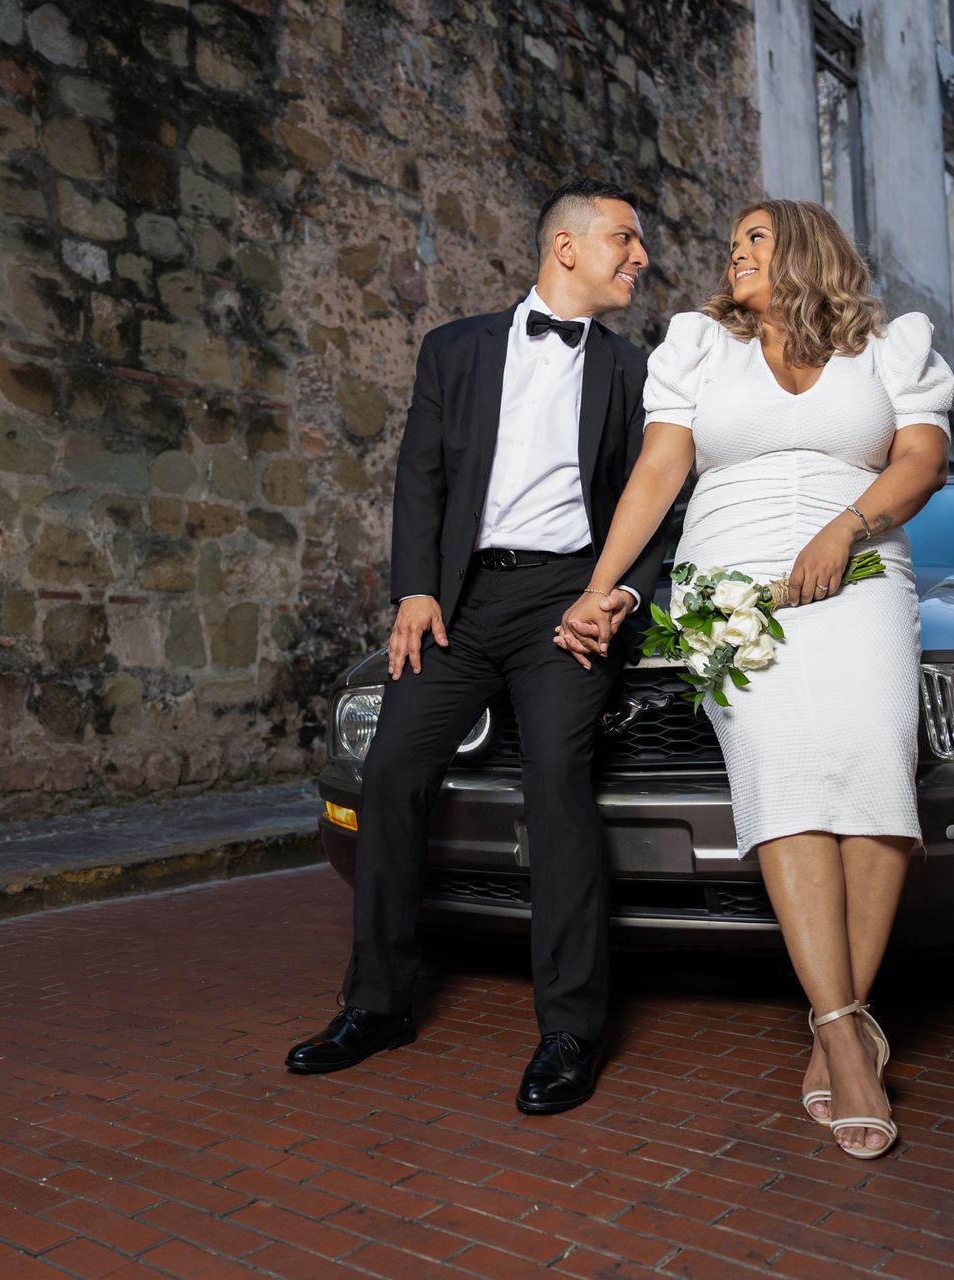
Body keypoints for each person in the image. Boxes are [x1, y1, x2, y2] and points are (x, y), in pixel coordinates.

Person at [556, 198, 954, 1157]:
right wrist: (599, 588)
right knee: (783, 770)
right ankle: (847, 1035)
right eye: (732, 245)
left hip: (857, 568)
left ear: (808, 249)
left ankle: (838, 1017)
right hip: (730, 580)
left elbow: (923, 460)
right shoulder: (699, 345)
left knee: (872, 764)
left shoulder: (890, 347)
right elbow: (657, 473)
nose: (734, 256)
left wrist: (846, 528)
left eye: (756, 241)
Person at [284, 178, 667, 1115]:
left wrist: (612, 596)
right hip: (459, 603)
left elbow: (657, 507)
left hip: (565, 603)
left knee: (558, 785)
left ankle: (571, 1030)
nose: (641, 257)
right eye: (626, 238)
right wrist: (414, 587)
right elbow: (421, 479)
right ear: (567, 248)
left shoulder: (636, 373)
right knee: (391, 775)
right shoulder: (452, 350)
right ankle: (376, 1004)